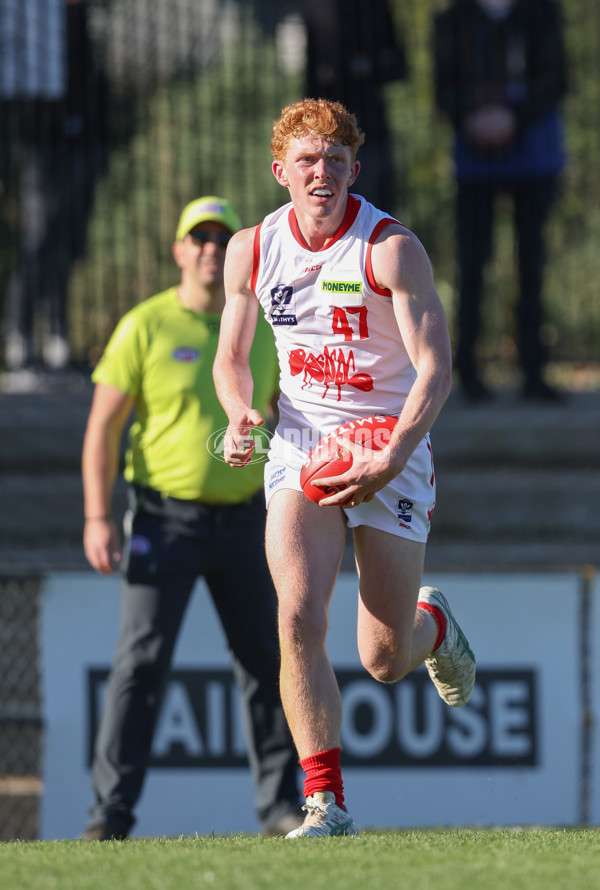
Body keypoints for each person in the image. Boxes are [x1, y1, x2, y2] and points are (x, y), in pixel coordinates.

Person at [212, 99, 476, 838]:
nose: (321, 173)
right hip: (302, 447)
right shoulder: (253, 248)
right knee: (296, 616)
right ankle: (324, 803)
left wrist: (393, 455)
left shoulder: (391, 248)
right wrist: (240, 413)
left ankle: (432, 622)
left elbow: (436, 368)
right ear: (280, 172)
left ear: (354, 169)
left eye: (335, 160)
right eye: (306, 160)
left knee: (384, 658)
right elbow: (231, 359)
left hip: (390, 447)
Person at [80, 196, 302, 840]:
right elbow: (104, 429)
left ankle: (282, 808)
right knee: (140, 664)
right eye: (197, 237)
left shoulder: (264, 326)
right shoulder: (145, 325)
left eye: (220, 237)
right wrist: (98, 516)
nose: (210, 248)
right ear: (179, 250)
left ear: (236, 250)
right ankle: (110, 815)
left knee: (270, 658)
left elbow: (287, 412)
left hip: (245, 518)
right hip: (162, 520)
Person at [433, 0, 567, 403]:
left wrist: (513, 118)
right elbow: (444, 91)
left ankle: (533, 371)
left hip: (534, 156)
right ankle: (467, 371)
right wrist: (473, 119)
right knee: (472, 262)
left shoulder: (542, 13)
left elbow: (557, 81)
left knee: (533, 263)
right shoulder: (452, 20)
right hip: (474, 161)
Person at [1, 0, 111, 374]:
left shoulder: (77, 20)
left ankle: (56, 332)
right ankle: (20, 332)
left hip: (78, 142)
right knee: (40, 234)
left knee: (66, 237)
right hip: (38, 141)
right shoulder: (30, 15)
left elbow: (90, 77)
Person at [302, 0, 406, 213]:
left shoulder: (375, 7)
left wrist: (366, 68)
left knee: (374, 211)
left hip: (370, 129)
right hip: (329, 133)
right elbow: (312, 74)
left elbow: (397, 64)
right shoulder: (316, 7)